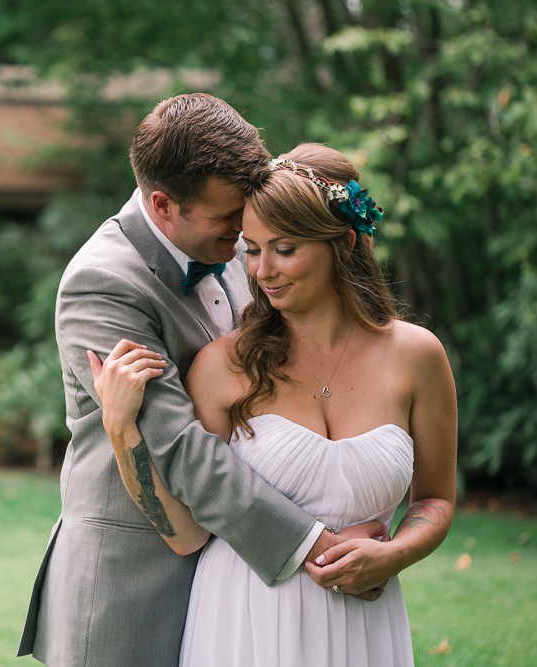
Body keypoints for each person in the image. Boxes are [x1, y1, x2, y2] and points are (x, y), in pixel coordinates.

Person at [18, 96, 386, 667]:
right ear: (163, 205)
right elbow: (178, 445)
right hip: (135, 586)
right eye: (228, 222)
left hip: (239, 583)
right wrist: (318, 546)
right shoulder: (102, 284)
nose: (245, 239)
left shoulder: (239, 244)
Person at [90, 143, 458, 666]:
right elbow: (186, 532)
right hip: (244, 622)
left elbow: (435, 499)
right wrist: (120, 426)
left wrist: (394, 554)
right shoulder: (223, 367)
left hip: (366, 621)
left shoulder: (417, 356)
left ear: (345, 244)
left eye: (284, 249)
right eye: (252, 249)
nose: (262, 271)